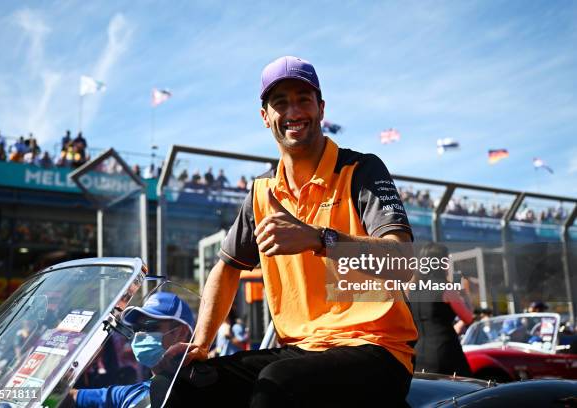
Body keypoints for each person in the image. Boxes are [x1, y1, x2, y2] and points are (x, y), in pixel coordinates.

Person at [161, 56, 417, 407]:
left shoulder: (361, 169)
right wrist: (202, 344)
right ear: (265, 117)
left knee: (277, 383)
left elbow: (403, 262)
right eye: (280, 103)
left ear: (321, 108)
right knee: (184, 381)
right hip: (303, 351)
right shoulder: (261, 191)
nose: (293, 110)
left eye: (303, 99)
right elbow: (226, 267)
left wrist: (318, 238)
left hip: (378, 349)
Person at [72, 292, 194, 408]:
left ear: (181, 332)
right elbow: (70, 398)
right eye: (137, 327)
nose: (140, 333)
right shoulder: (129, 395)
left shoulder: (202, 388)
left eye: (149, 325)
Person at [409, 243, 473, 376]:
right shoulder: (446, 288)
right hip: (445, 353)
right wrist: (464, 292)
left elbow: (432, 322)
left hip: (419, 353)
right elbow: (468, 317)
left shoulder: (413, 290)